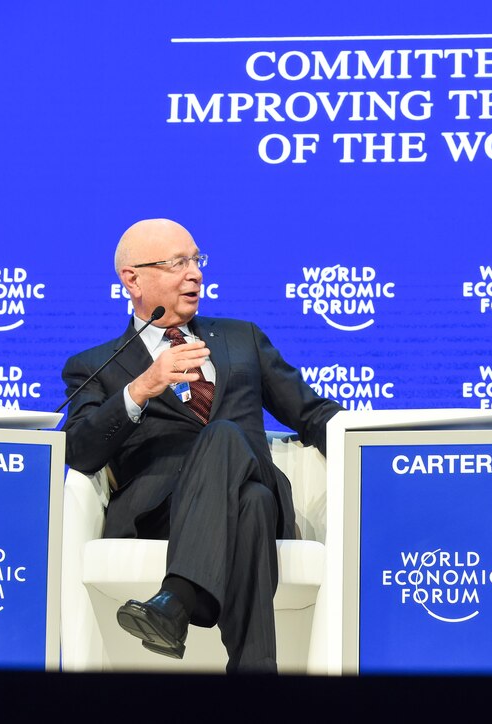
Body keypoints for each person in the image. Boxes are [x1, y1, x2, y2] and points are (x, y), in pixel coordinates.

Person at [62, 218, 343, 674]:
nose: (195, 273)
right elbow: (78, 451)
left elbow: (312, 415)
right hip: (160, 515)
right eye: (177, 263)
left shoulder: (242, 338)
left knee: (228, 440)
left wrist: (379, 453)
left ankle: (176, 598)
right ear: (132, 279)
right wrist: (140, 390)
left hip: (262, 494)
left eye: (197, 260)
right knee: (248, 503)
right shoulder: (95, 365)